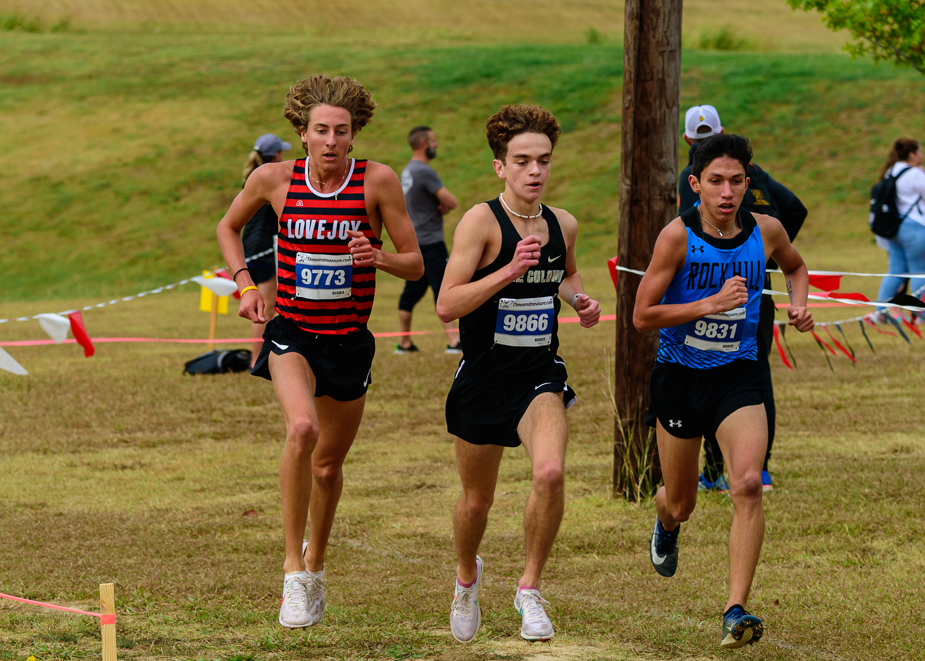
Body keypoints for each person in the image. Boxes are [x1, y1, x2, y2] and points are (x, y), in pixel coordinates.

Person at [216, 75, 424, 629]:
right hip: (293, 334)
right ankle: (292, 573)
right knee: (301, 431)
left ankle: (316, 565)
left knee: (328, 467)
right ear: (302, 134)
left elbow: (416, 263)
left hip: (348, 342)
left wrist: (376, 258)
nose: (332, 140)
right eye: (321, 131)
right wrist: (245, 285)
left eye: (342, 131)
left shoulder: (377, 183)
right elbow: (228, 227)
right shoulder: (272, 179)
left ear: (353, 137)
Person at [635, 133, 813, 648]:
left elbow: (796, 268)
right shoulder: (677, 236)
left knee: (748, 484)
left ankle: (735, 609)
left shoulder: (768, 231)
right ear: (695, 185)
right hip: (681, 377)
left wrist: (800, 304)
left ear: (748, 181)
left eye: (737, 180)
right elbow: (643, 315)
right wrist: (707, 304)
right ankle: (665, 521)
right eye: (716, 181)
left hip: (739, 374)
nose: (727, 191)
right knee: (683, 501)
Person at [436, 104, 601, 643]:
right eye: (523, 161)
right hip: (484, 377)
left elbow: (567, 275)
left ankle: (529, 589)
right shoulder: (480, 222)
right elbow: (446, 304)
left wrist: (580, 301)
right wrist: (508, 270)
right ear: (500, 167)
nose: (535, 171)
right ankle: (467, 579)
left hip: (538, 375)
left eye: (544, 161)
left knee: (550, 472)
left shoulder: (563, 224)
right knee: (476, 503)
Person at [678, 105, 808, 493]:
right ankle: (757, 469)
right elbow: (796, 208)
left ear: (687, 141)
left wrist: (762, 247)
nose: (727, 190)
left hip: (708, 290)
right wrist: (761, 256)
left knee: (712, 371)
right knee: (753, 374)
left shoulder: (695, 175)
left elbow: (684, 232)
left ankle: (720, 470)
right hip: (756, 290)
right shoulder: (752, 171)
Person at [395, 126, 461, 354]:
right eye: (433, 141)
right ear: (424, 144)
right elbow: (450, 201)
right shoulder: (424, 171)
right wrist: (443, 205)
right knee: (443, 288)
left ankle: (403, 342)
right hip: (431, 241)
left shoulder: (407, 171)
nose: (436, 145)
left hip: (414, 241)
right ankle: (454, 342)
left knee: (411, 291)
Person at [241, 133, 291, 365]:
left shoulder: (252, 177)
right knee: (265, 310)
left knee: (261, 309)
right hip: (266, 251)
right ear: (276, 155)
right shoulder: (271, 179)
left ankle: (257, 358)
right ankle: (256, 360)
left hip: (249, 249)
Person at [875, 138, 925, 310]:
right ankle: (921, 315)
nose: (922, 155)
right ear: (912, 154)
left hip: (895, 228)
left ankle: (881, 311)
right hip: (915, 227)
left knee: (895, 271)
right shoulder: (915, 174)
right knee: (920, 271)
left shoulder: (891, 171)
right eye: (920, 152)